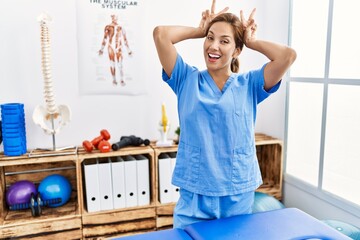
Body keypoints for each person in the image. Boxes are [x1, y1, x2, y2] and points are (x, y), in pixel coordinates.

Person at [153, 0, 296, 229]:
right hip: (194, 198)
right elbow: (161, 34)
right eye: (210, 38)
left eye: (224, 41)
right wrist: (199, 30)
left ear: (237, 50)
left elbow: (287, 56)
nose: (213, 46)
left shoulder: (250, 84)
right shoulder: (185, 79)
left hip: (236, 195)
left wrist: (252, 42)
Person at [99, 14, 132, 86]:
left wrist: (128, 50)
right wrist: (101, 49)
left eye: (116, 18)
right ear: (111, 18)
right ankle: (114, 80)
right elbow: (105, 38)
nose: (114, 19)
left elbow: (125, 39)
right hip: (111, 47)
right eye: (113, 17)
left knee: (120, 64)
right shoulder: (108, 27)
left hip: (118, 47)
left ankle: (122, 80)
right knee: (112, 64)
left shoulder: (121, 27)